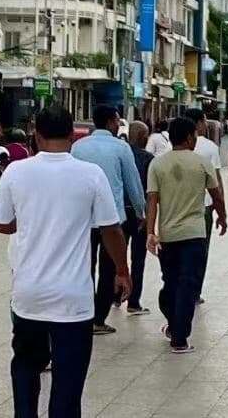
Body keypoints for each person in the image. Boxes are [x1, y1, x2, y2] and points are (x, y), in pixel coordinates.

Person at [0, 104, 129, 418]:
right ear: (72, 135)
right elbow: (111, 229)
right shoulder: (91, 174)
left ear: (36, 136)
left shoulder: (16, 170)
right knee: (68, 382)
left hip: (28, 296)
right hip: (73, 300)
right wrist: (122, 270)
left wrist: (26, 222)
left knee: (26, 369)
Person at [146, 116, 227, 355]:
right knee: (187, 285)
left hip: (168, 235)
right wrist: (222, 217)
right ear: (190, 137)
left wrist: (151, 232)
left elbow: (152, 200)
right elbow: (217, 195)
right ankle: (179, 337)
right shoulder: (202, 163)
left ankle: (175, 327)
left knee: (171, 284)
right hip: (194, 234)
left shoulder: (157, 165)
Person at [70, 103, 146, 334]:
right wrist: (141, 212)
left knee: (85, 268)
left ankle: (82, 313)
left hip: (83, 218)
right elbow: (133, 184)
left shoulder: (78, 147)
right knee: (108, 268)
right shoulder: (121, 148)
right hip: (112, 220)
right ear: (112, 121)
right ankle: (98, 319)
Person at [191, 119, 225, 299]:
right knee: (201, 249)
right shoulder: (210, 147)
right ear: (199, 124)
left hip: (175, 207)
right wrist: (222, 212)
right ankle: (195, 291)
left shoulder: (169, 147)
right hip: (203, 205)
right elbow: (216, 181)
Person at [124, 121, 153, 317]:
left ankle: (116, 294)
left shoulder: (121, 155)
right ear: (144, 138)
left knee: (114, 256)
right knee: (138, 259)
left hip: (119, 213)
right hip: (139, 214)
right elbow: (152, 192)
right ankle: (133, 301)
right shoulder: (148, 159)